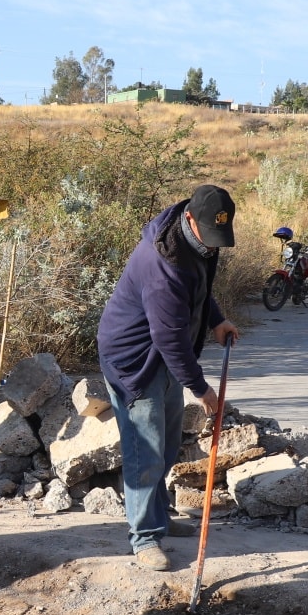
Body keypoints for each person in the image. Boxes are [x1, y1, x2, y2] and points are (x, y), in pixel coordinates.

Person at [96, 184, 241, 572]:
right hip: (134, 360)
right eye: (208, 237)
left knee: (168, 438)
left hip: (165, 355)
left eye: (218, 239)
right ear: (189, 218)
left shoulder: (196, 243)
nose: (213, 247)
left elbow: (199, 290)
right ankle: (144, 538)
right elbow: (169, 337)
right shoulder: (162, 264)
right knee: (146, 449)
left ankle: (158, 516)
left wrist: (216, 319)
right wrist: (201, 388)